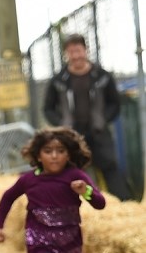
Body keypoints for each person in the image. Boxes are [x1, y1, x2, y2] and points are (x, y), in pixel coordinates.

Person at [43, 33, 129, 200]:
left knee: (110, 169)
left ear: (85, 50)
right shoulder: (58, 80)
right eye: (71, 52)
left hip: (99, 132)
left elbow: (115, 103)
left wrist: (103, 120)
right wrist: (61, 125)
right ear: (66, 54)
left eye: (78, 51)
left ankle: (122, 206)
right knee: (77, 173)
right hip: (73, 136)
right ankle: (89, 208)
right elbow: (48, 109)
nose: (76, 56)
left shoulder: (102, 76)